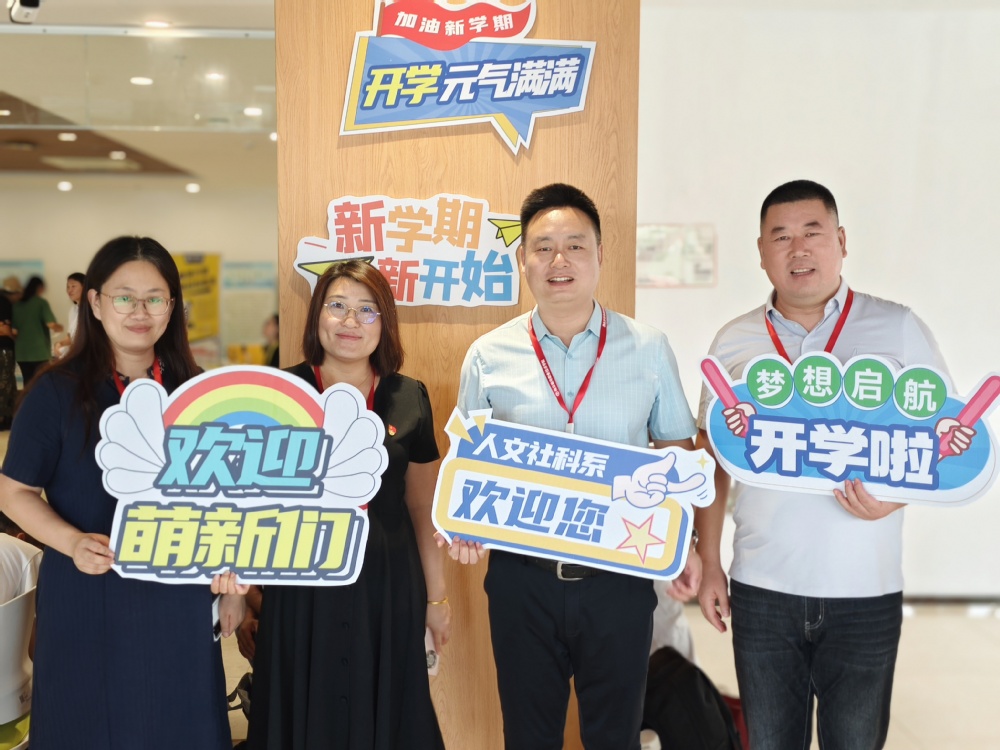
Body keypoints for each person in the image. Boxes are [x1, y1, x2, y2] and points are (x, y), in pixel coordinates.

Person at [695, 180, 972, 750]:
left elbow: (944, 440)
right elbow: (712, 460)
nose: (798, 249)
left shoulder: (896, 327)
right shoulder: (734, 341)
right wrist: (710, 562)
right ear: (761, 251)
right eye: (781, 236)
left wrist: (894, 498)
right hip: (762, 586)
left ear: (841, 242)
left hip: (865, 587)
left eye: (813, 232)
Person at [447, 183, 700, 750]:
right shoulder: (488, 355)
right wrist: (463, 527)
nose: (558, 260)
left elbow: (677, 454)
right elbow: (468, 463)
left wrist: (686, 543)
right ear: (523, 260)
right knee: (528, 737)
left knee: (615, 736)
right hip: (522, 580)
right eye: (543, 247)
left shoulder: (648, 348)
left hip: (619, 578)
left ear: (600, 255)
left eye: (574, 246)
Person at [0, 236, 245, 750]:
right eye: (124, 297)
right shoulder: (55, 391)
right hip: (87, 592)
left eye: (155, 298)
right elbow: (13, 491)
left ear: (172, 307)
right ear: (94, 302)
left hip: (179, 597)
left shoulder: (199, 391)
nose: (140, 311)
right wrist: (70, 542)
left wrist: (232, 586)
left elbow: (227, 498)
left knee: (180, 721)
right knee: (86, 721)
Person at [247, 260, 448, 750]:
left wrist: (437, 600)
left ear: (385, 322)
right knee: (301, 707)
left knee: (390, 712)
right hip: (300, 586)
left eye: (367, 309)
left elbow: (422, 508)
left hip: (387, 585)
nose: (351, 321)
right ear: (317, 314)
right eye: (337, 306)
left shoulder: (409, 396)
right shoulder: (278, 393)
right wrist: (244, 594)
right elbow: (249, 505)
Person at [11, 275, 62, 386]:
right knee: (41, 384)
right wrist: (61, 328)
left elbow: (14, 331)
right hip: (39, 352)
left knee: (27, 383)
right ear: (39, 288)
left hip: (22, 353)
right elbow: (51, 324)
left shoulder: (17, 305)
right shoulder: (41, 303)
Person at [54, 272, 86, 358]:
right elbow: (71, 337)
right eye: (68, 287)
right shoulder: (73, 310)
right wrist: (60, 344)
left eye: (73, 286)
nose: (69, 290)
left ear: (84, 287)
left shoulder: (93, 309)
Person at [0, 282, 16, 430]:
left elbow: (6, 329)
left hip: (4, 349)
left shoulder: (3, 301)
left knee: (5, 383)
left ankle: (5, 418)